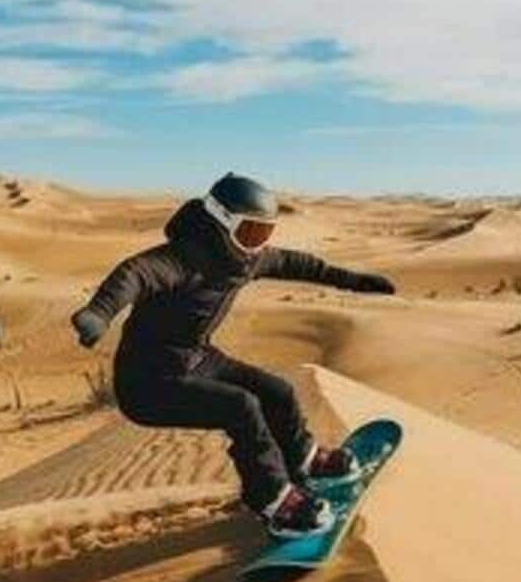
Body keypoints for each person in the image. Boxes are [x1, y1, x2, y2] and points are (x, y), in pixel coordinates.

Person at [70, 173, 397, 536]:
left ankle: (304, 461)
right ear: (221, 222)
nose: (256, 245)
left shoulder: (246, 260)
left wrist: (355, 281)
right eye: (249, 233)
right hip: (147, 383)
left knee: (277, 391)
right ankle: (273, 501)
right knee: (241, 408)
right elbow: (135, 274)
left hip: (196, 358)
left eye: (264, 234)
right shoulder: (181, 260)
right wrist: (99, 312)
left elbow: (299, 264)